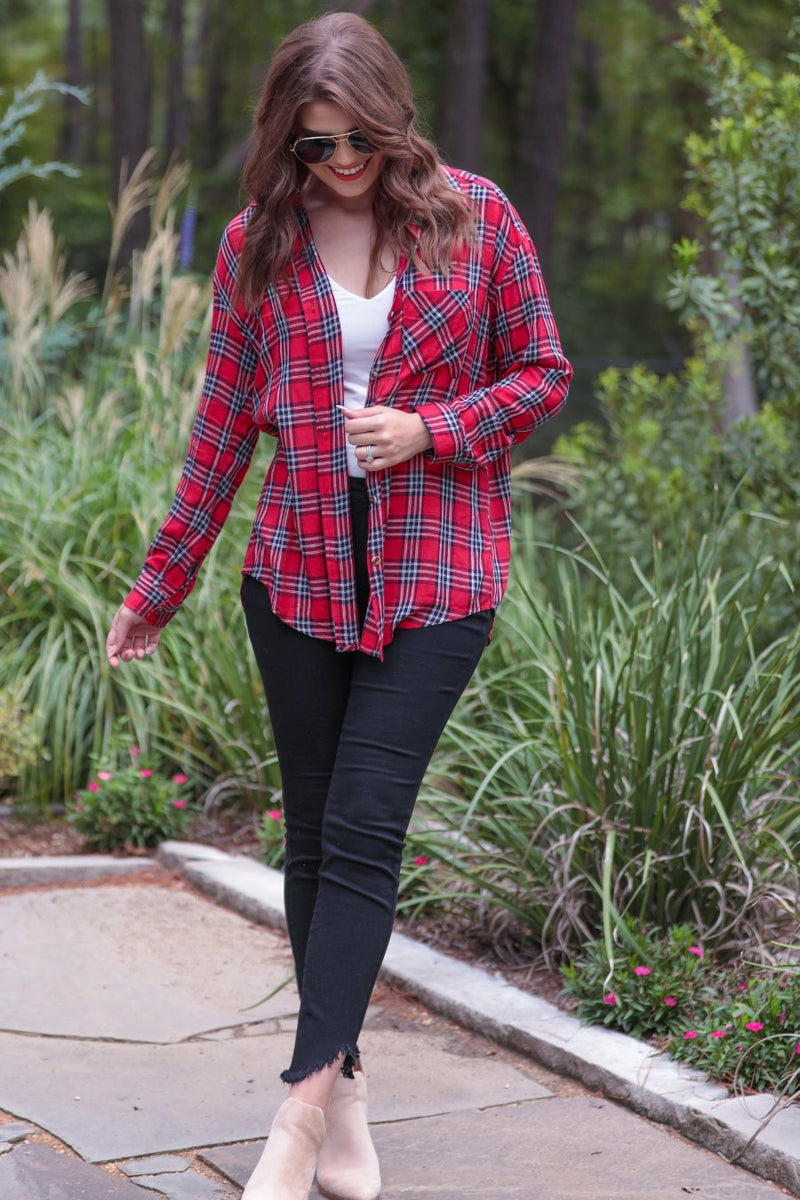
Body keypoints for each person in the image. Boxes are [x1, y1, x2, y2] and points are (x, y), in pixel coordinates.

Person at [105, 11, 572, 1200]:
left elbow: (540, 374)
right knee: (312, 837)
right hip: (298, 576)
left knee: (364, 824)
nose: (340, 164)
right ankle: (346, 1091)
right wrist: (161, 584)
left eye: (356, 138)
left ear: (388, 116)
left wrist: (434, 428)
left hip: (438, 580)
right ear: (286, 142)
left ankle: (294, 1123)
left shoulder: (474, 218)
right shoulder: (261, 244)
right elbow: (219, 432)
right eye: (314, 146)